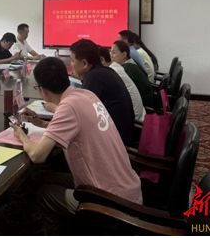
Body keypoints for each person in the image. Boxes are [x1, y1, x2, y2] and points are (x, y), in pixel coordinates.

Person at [12, 57, 142, 218]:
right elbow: (76, 126)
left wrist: (20, 134)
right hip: (128, 188)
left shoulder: (68, 107)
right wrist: (42, 123)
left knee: (45, 193)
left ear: (42, 90)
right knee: (47, 177)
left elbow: (37, 155)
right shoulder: (86, 94)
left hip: (112, 203)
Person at [69, 39, 134, 145]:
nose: (71, 64)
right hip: (122, 135)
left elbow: (81, 115)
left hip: (115, 143)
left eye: (72, 60)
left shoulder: (93, 77)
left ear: (84, 63)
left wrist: (54, 108)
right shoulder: (105, 71)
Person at [98, 45, 146, 122]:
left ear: (102, 60)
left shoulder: (111, 72)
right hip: (140, 112)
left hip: (135, 120)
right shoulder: (116, 67)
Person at [110, 40, 157, 109]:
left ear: (124, 54)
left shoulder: (126, 69)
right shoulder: (131, 63)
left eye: (114, 52)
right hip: (148, 99)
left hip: (145, 104)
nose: (111, 56)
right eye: (110, 52)